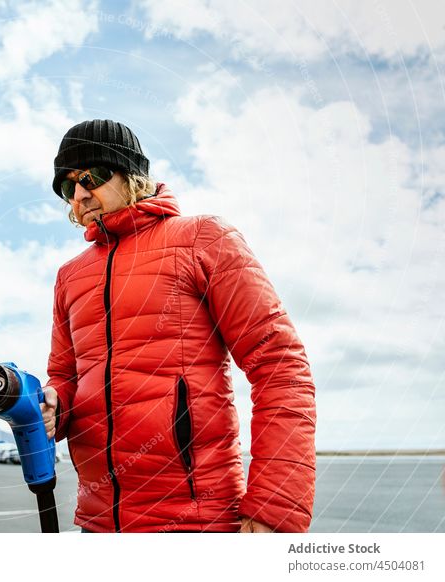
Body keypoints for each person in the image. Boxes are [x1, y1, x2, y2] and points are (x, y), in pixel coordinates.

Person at [39, 119, 316, 533]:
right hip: (98, 524)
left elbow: (280, 367)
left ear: (131, 174)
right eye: (67, 187)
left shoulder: (203, 240)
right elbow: (66, 377)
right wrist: (52, 406)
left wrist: (274, 506)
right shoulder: (70, 276)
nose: (79, 194)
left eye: (91, 176)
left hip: (195, 522)